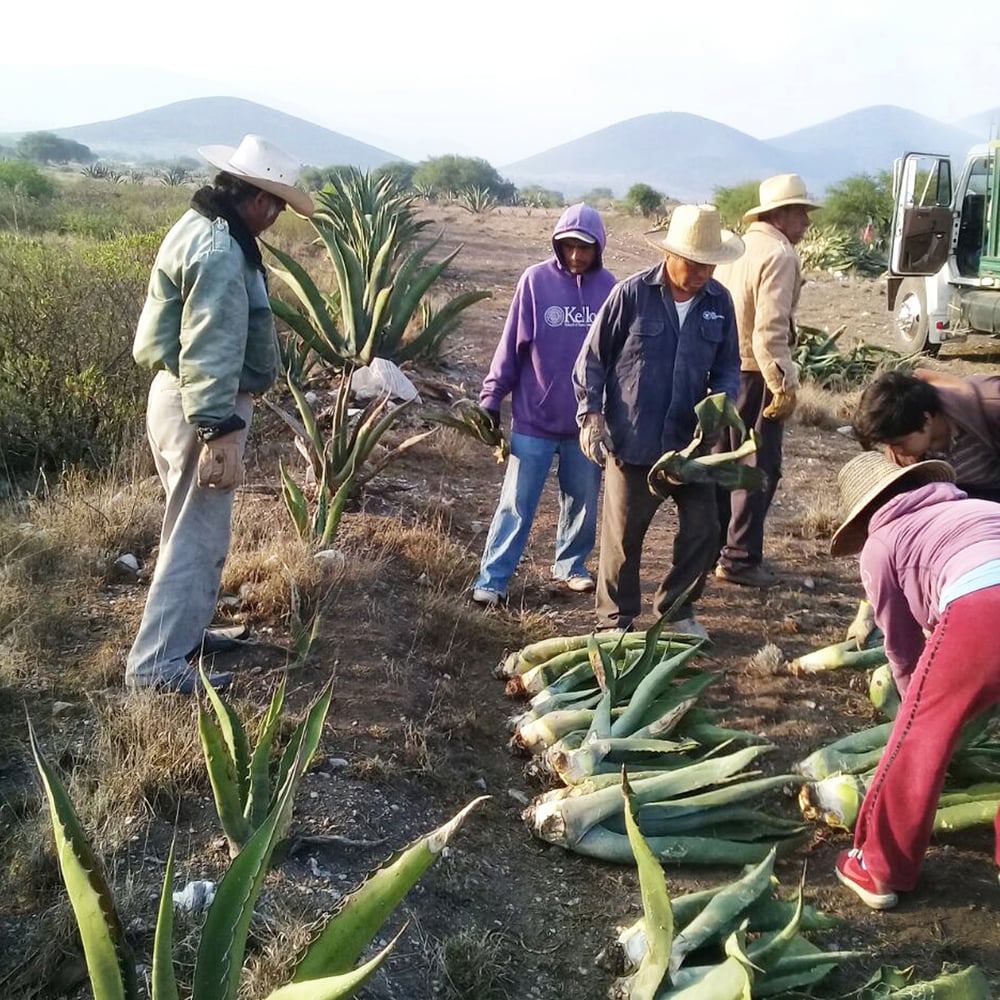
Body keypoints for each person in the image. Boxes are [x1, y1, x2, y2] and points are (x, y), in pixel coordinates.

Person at [127, 134, 314, 693]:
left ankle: (184, 635)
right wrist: (219, 429)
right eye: (276, 204)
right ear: (255, 198)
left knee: (189, 527)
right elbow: (212, 341)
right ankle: (156, 666)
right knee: (197, 537)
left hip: (178, 397)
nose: (277, 215)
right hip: (200, 406)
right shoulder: (220, 249)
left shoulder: (203, 228)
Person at [830, 450, 1000, 910]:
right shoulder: (981, 507)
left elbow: (902, 647)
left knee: (920, 736)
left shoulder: (880, 543)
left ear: (865, 514)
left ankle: (878, 868)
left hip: (982, 607)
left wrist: (918, 707)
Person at [573, 204, 743, 637]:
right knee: (624, 539)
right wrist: (592, 415)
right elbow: (591, 361)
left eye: (711, 263)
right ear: (671, 254)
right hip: (633, 440)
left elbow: (728, 365)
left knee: (705, 529)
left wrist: (722, 404)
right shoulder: (631, 295)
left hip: (690, 444)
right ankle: (617, 620)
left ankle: (678, 611)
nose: (704, 271)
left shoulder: (719, 303)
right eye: (695, 262)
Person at [472, 204, 616, 606]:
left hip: (585, 423)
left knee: (583, 501)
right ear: (557, 244)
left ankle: (571, 565)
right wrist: (491, 397)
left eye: (584, 248)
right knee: (516, 503)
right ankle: (493, 579)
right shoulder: (535, 282)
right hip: (534, 419)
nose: (575, 256)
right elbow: (510, 346)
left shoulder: (610, 289)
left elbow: (619, 356)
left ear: (598, 247)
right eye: (568, 246)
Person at [713, 173, 820, 588]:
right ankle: (739, 559)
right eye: (801, 213)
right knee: (758, 467)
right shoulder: (780, 254)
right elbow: (770, 330)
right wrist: (783, 384)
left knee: (722, 460)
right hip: (757, 372)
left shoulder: (736, 248)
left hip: (725, 370)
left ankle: (714, 549)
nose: (806, 223)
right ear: (782, 214)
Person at [853, 368, 1000, 502]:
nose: (895, 451)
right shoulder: (901, 454)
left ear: (926, 420)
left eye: (899, 443)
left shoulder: (992, 406)